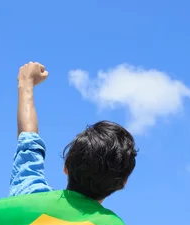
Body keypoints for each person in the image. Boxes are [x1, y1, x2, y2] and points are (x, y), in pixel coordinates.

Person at [10, 62, 138, 203]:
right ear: (123, 183)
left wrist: (26, 83)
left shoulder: (31, 198)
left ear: (66, 167)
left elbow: (28, 141)